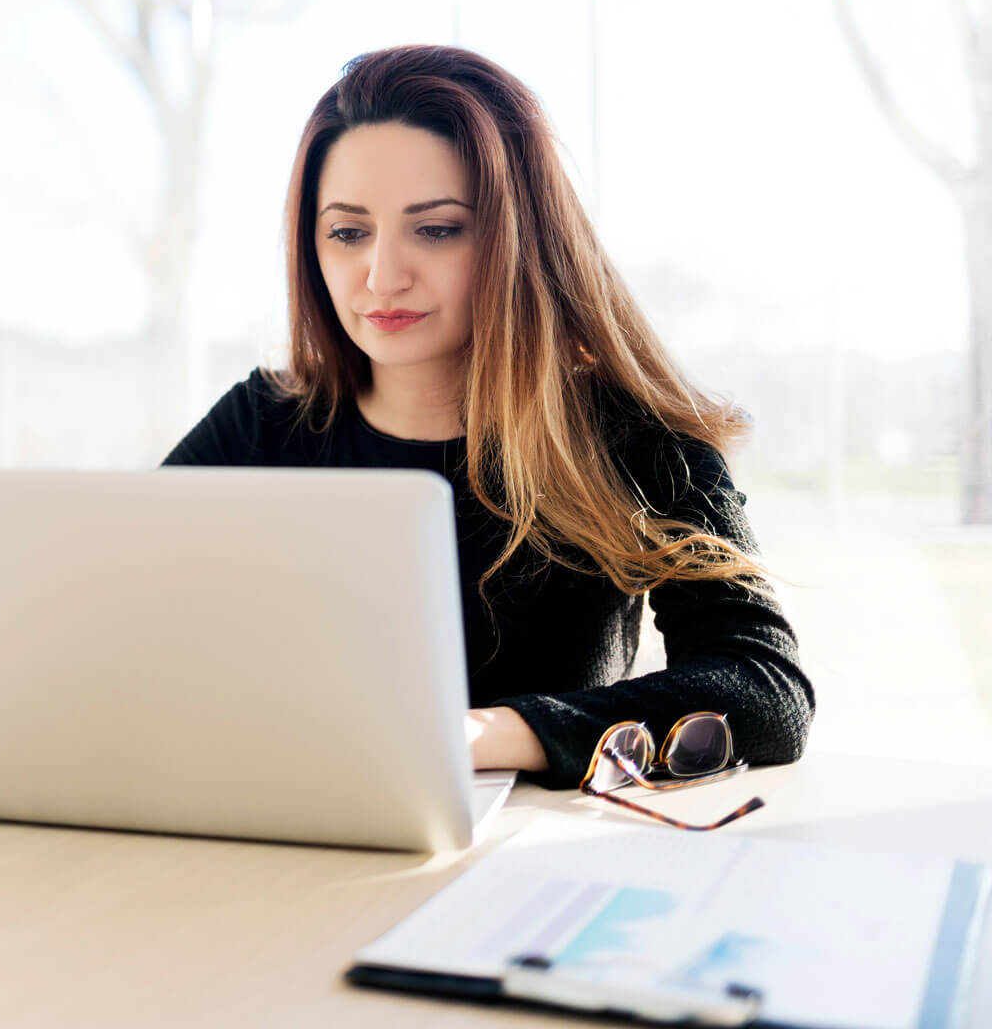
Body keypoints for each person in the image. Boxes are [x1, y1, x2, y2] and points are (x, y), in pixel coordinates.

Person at [163, 45, 813, 788]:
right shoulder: (261, 425)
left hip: (526, 861)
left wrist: (487, 735)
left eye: (436, 229)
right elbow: (113, 619)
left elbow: (766, 694)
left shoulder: (631, 438)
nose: (382, 275)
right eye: (348, 232)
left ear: (519, 238)